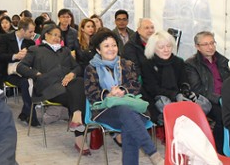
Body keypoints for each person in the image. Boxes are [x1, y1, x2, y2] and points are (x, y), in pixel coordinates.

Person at [85, 30, 164, 165]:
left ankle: (149, 155)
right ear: (98, 50)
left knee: (128, 121)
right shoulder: (91, 68)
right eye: (106, 46)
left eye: (114, 45)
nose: (111, 49)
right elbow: (91, 93)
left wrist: (122, 91)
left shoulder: (127, 64)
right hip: (104, 111)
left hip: (131, 109)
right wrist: (108, 94)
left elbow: (135, 85)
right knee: (126, 115)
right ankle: (153, 153)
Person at [17, 24, 86, 152]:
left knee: (79, 82)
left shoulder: (64, 50)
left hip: (66, 85)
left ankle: (76, 118)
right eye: (54, 34)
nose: (57, 38)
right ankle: (80, 137)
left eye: (59, 36)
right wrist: (37, 74)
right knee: (78, 97)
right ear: (46, 35)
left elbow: (77, 67)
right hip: (47, 87)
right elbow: (21, 67)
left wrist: (72, 74)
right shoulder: (35, 49)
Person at [141, 31, 209, 123]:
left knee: (201, 106)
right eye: (161, 47)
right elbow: (153, 89)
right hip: (155, 99)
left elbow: (184, 81)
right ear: (153, 49)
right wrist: (175, 95)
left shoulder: (178, 62)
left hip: (178, 97)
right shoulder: (147, 64)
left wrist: (185, 91)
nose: (166, 50)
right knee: (174, 112)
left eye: (169, 46)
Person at [185, 31, 230, 154]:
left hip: (227, 98)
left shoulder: (222, 61)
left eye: (212, 43)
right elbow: (197, 89)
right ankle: (220, 152)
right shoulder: (191, 64)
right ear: (197, 47)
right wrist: (219, 99)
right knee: (223, 116)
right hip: (208, 101)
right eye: (205, 44)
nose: (210, 47)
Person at [0, 18, 39, 126]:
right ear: (22, 30)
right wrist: (15, 56)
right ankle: (31, 115)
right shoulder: (4, 38)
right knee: (26, 82)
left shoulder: (30, 42)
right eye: (30, 31)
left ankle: (26, 114)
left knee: (30, 81)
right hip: (7, 72)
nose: (33, 34)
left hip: (24, 72)